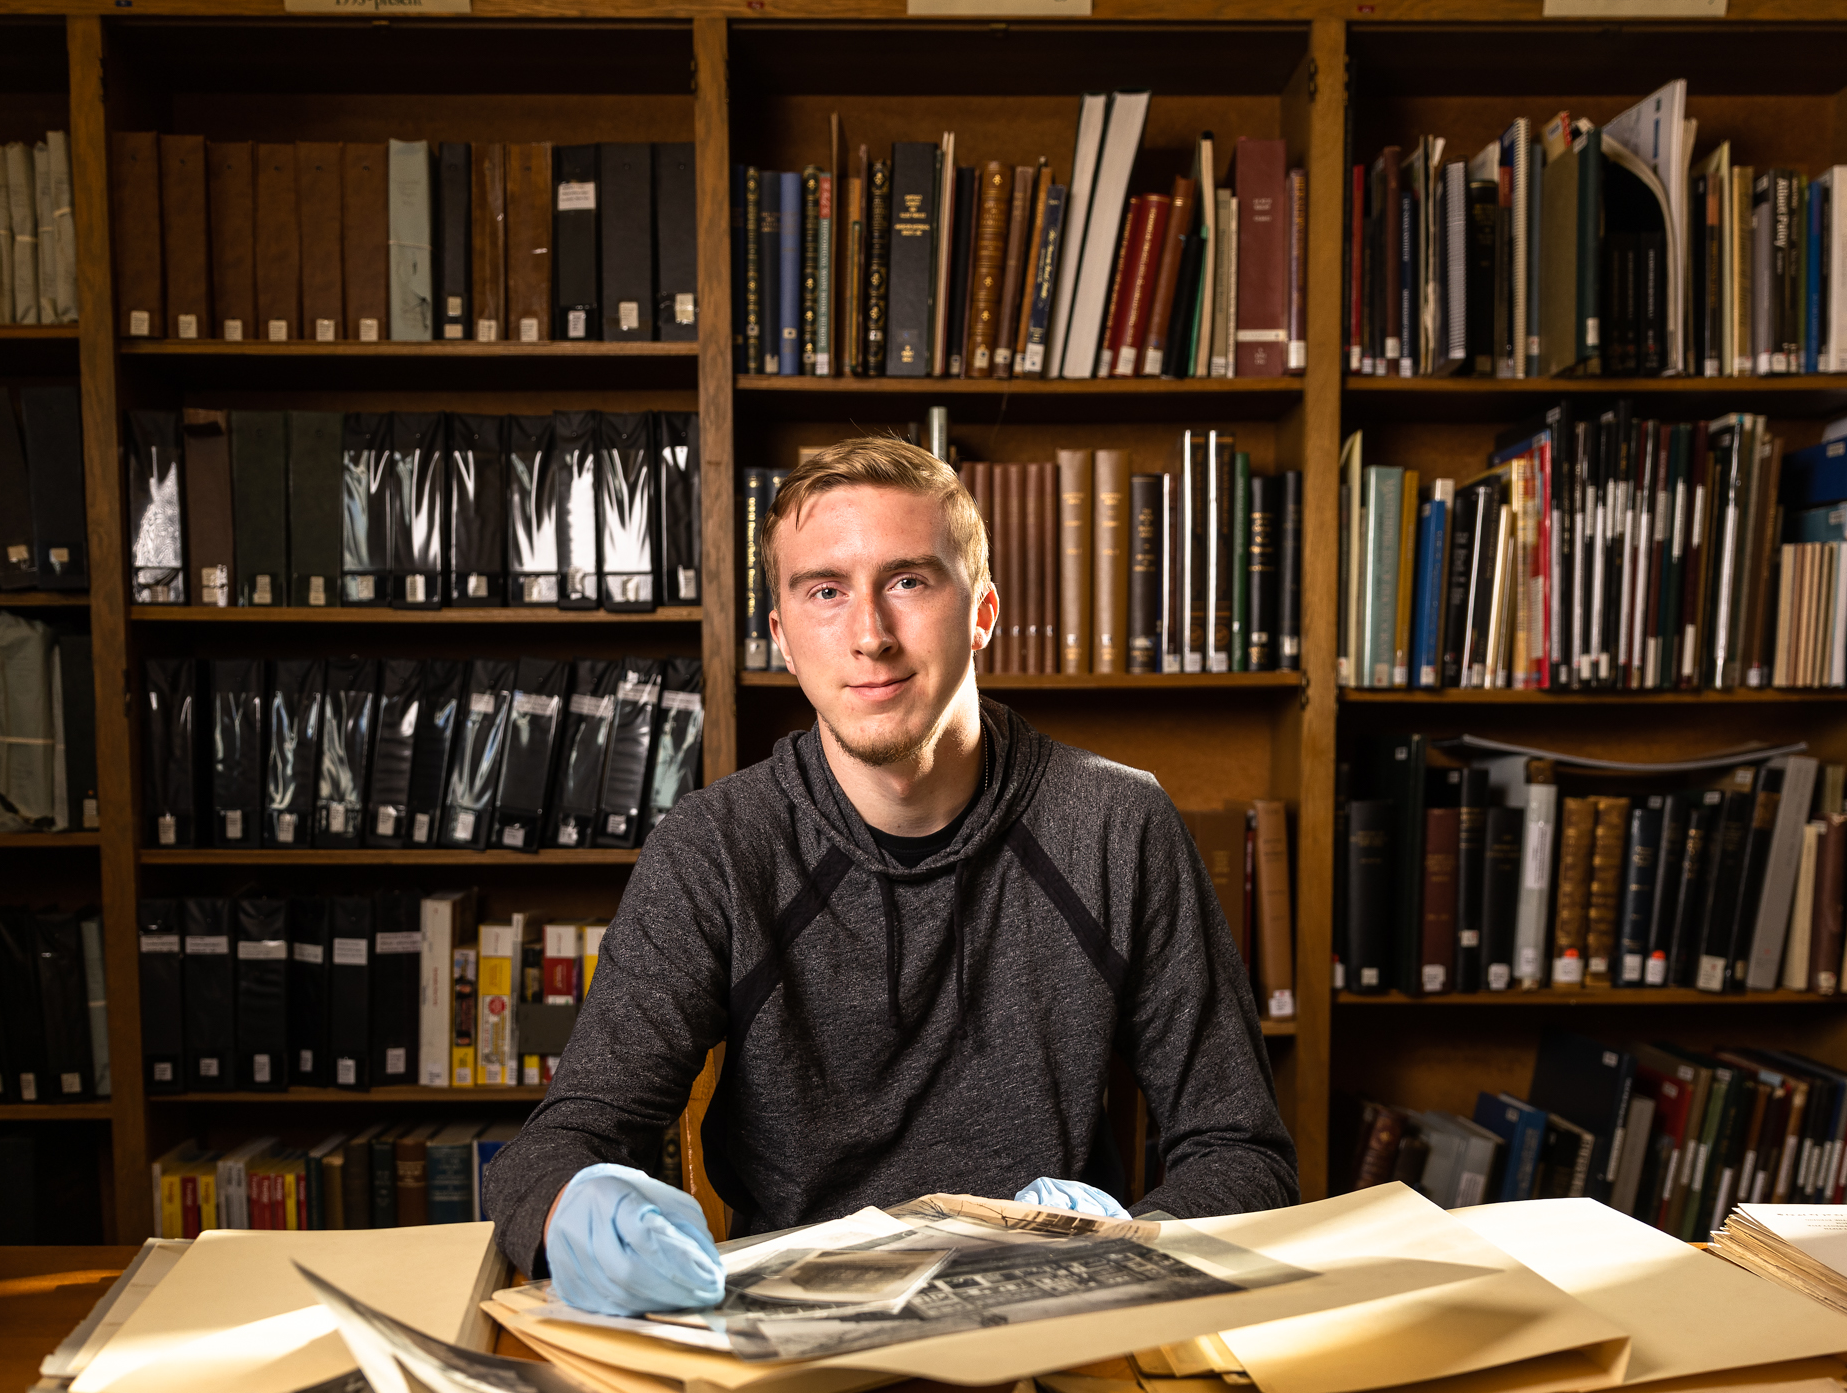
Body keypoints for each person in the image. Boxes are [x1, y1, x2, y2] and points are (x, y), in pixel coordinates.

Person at [480, 436, 1296, 1314]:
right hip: (794, 1336)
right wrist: (572, 1208)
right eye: (824, 592)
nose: (869, 634)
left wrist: (1123, 1246)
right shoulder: (715, 847)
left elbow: (1243, 1154)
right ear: (783, 638)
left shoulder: (1117, 825)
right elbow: (557, 1144)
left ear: (982, 611)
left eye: (909, 580)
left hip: (1056, 1317)